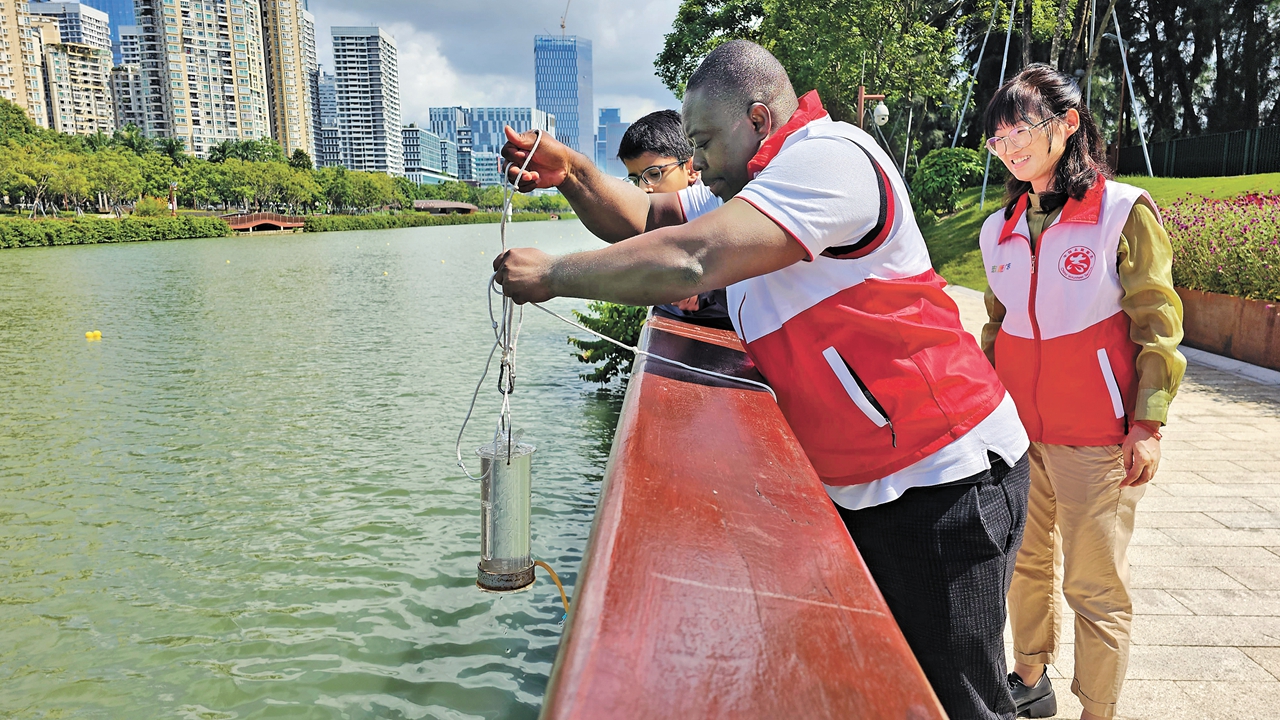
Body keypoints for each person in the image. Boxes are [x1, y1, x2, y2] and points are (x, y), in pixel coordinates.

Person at [496, 40, 1032, 719]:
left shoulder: (828, 159)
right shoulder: (755, 186)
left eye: (704, 143)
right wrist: (572, 172)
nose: (697, 164)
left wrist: (552, 274)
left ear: (757, 119)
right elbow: (646, 222)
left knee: (962, 703)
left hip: (944, 476)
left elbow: (691, 261)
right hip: (874, 480)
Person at [977, 64, 1185, 720]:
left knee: (1094, 585)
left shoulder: (1122, 211)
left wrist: (1148, 423)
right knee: (1024, 564)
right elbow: (997, 327)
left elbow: (1158, 323)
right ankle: (1029, 679)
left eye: (1021, 129)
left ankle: (1098, 710)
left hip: (1098, 437)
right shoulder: (999, 227)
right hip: (1020, 436)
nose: (1009, 146)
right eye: (998, 136)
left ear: (1067, 124)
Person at [617, 109, 731, 329]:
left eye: (654, 174)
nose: (644, 188)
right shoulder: (657, 221)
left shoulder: (719, 201)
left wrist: (706, 293)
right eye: (635, 179)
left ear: (691, 169)